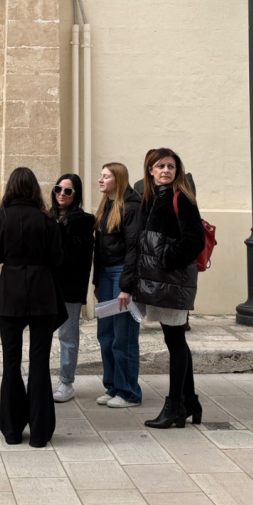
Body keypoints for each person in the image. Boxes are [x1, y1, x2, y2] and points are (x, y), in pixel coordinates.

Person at [0, 167, 66, 448]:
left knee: (11, 363)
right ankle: (40, 433)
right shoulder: (47, 220)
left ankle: (12, 430)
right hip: (43, 293)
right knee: (40, 363)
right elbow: (57, 258)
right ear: (34, 189)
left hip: (10, 293)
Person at [134, 147, 205, 429]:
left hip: (173, 283)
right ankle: (189, 401)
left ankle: (175, 406)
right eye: (160, 166)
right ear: (150, 170)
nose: (165, 171)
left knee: (175, 343)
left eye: (171, 167)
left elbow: (194, 240)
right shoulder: (151, 198)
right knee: (175, 341)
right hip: (159, 283)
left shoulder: (182, 198)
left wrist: (166, 258)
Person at [92, 163, 143, 408]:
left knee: (123, 336)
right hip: (105, 274)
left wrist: (127, 286)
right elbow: (98, 249)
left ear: (118, 179)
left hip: (121, 274)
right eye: (101, 176)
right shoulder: (106, 205)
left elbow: (134, 248)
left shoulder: (132, 207)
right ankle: (113, 387)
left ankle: (129, 392)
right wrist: (96, 282)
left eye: (106, 176)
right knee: (106, 335)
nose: (100, 180)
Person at [50, 174, 95, 404]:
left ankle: (66, 382)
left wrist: (60, 229)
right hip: (47, 287)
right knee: (43, 335)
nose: (61, 194)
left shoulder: (83, 221)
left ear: (75, 195)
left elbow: (78, 255)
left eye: (68, 191)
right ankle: (40, 378)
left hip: (70, 287)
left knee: (67, 336)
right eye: (59, 189)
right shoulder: (47, 217)